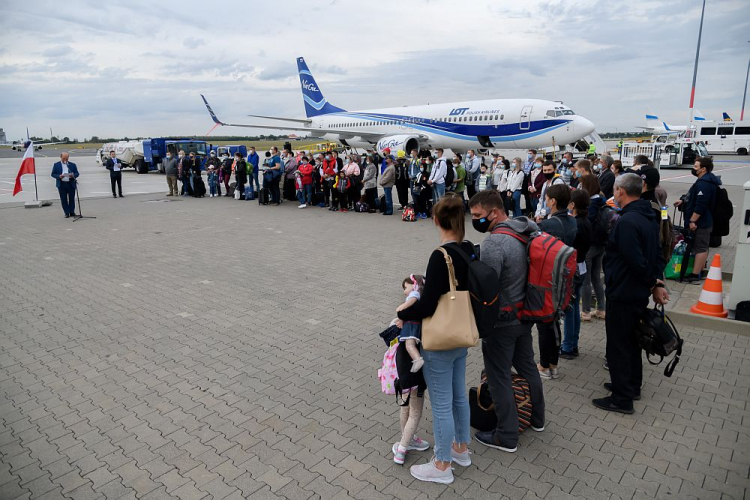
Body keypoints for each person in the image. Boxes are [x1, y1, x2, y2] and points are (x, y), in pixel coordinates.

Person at [397, 194, 473, 484]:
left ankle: (442, 465)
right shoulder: (467, 249)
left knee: (441, 404)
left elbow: (428, 304)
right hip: (461, 332)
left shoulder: (440, 256)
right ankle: (460, 449)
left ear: (436, 220)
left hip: (440, 339)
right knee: (457, 397)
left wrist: (403, 312)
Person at [468, 190, 545, 452]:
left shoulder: (495, 242)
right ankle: (537, 419)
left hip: (502, 322)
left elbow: (486, 288)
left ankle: (506, 436)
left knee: (498, 377)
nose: (475, 220)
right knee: (528, 368)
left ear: (495, 212)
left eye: (478, 215)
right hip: (526, 314)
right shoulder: (526, 231)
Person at [593, 173, 669, 414]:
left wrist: (652, 283)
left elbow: (634, 260)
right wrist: (655, 282)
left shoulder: (626, 222)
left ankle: (621, 398)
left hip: (623, 292)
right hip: (635, 291)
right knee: (633, 341)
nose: (614, 193)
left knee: (619, 345)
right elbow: (657, 254)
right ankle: (630, 385)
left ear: (621, 192)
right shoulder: (647, 216)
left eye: (615, 190)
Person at [535, 184, 576, 379]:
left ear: (552, 201)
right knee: (555, 322)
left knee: (545, 323)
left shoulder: (546, 226)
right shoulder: (574, 222)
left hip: (548, 280)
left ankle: (544, 366)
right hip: (567, 279)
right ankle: (553, 363)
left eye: (547, 198)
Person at [391, 274, 430, 464]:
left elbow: (402, 313)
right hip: (416, 373)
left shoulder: (404, 319)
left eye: (406, 288)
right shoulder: (423, 313)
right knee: (415, 412)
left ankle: (406, 439)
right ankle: (402, 448)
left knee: (405, 406)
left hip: (403, 373)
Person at [674, 157, 721, 284]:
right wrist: (683, 201)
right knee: (698, 247)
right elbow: (695, 198)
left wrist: (692, 221)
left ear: (703, 169)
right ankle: (696, 271)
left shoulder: (704, 184)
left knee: (700, 248)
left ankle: (695, 275)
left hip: (701, 222)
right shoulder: (703, 181)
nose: (693, 169)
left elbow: (701, 205)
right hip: (702, 221)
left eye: (695, 167)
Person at [560, 189, 592, 359]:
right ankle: (572, 343)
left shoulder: (576, 224)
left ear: (572, 205)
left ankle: (568, 346)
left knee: (569, 308)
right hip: (581, 266)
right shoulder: (585, 221)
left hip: (574, 268)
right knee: (574, 308)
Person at [578, 175, 606, 322]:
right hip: (600, 244)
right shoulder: (602, 201)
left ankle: (586, 311)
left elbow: (586, 224)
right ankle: (601, 309)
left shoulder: (591, 204)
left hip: (590, 245)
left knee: (586, 280)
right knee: (596, 278)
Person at [50, 152, 79, 218]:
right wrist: (59, 176)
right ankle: (66, 212)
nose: (65, 160)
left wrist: (72, 175)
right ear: (61, 157)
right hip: (62, 184)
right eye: (64, 158)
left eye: (67, 158)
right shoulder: (56, 165)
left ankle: (72, 211)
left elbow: (77, 173)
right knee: (63, 199)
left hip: (70, 183)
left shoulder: (72, 165)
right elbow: (53, 174)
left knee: (72, 198)